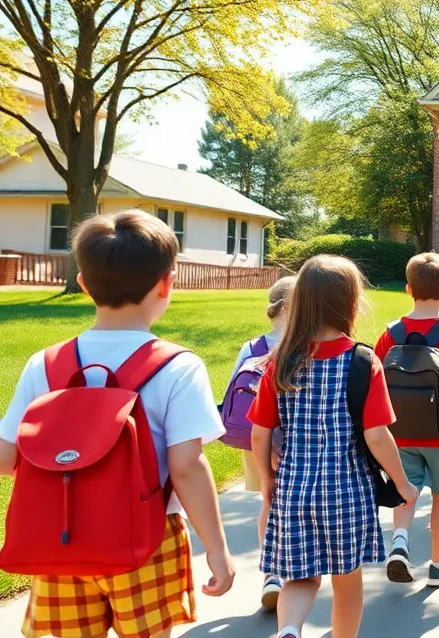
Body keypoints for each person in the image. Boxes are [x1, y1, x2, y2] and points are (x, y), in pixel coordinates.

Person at [0, 210, 235, 638]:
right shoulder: (178, 366)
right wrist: (217, 551)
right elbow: (186, 466)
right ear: (167, 283)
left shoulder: (46, 364)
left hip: (61, 537)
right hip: (147, 538)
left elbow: (6, 457)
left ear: (85, 284)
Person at [249, 255, 416, 638]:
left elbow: (260, 432)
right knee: (347, 583)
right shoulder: (362, 361)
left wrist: (266, 476)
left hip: (293, 487)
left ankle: (289, 629)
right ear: (351, 304)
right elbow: (376, 436)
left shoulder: (282, 363)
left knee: (299, 579)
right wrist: (403, 483)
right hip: (346, 492)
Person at [374, 252, 439, 587]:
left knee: (405, 491)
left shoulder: (390, 334)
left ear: (407, 289)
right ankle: (438, 563)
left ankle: (400, 544)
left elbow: (376, 383)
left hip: (399, 433)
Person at [230, 274, 296, 610]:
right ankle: (296, 570)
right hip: (299, 442)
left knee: (268, 504)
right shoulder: (305, 344)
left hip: (257, 439)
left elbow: (235, 395)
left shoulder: (253, 346)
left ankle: (271, 572)